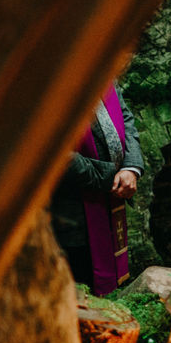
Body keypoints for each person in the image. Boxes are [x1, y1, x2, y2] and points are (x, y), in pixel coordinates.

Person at [49, 83, 144, 295]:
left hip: (110, 205)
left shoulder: (101, 70)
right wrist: (108, 177)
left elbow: (125, 117)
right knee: (80, 294)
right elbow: (54, 149)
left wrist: (131, 167)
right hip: (70, 213)